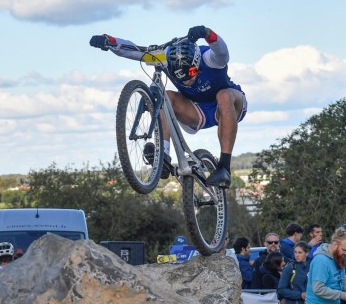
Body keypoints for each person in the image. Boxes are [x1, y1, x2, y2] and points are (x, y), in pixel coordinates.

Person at [90, 26, 245, 188]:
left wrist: (207, 33)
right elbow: (134, 51)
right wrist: (109, 41)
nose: (186, 81)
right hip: (196, 110)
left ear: (197, 64)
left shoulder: (210, 59)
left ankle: (224, 168)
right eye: (180, 77)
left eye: (190, 74)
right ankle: (163, 156)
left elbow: (222, 50)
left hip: (230, 106)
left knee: (224, 95)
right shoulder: (166, 59)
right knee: (166, 95)